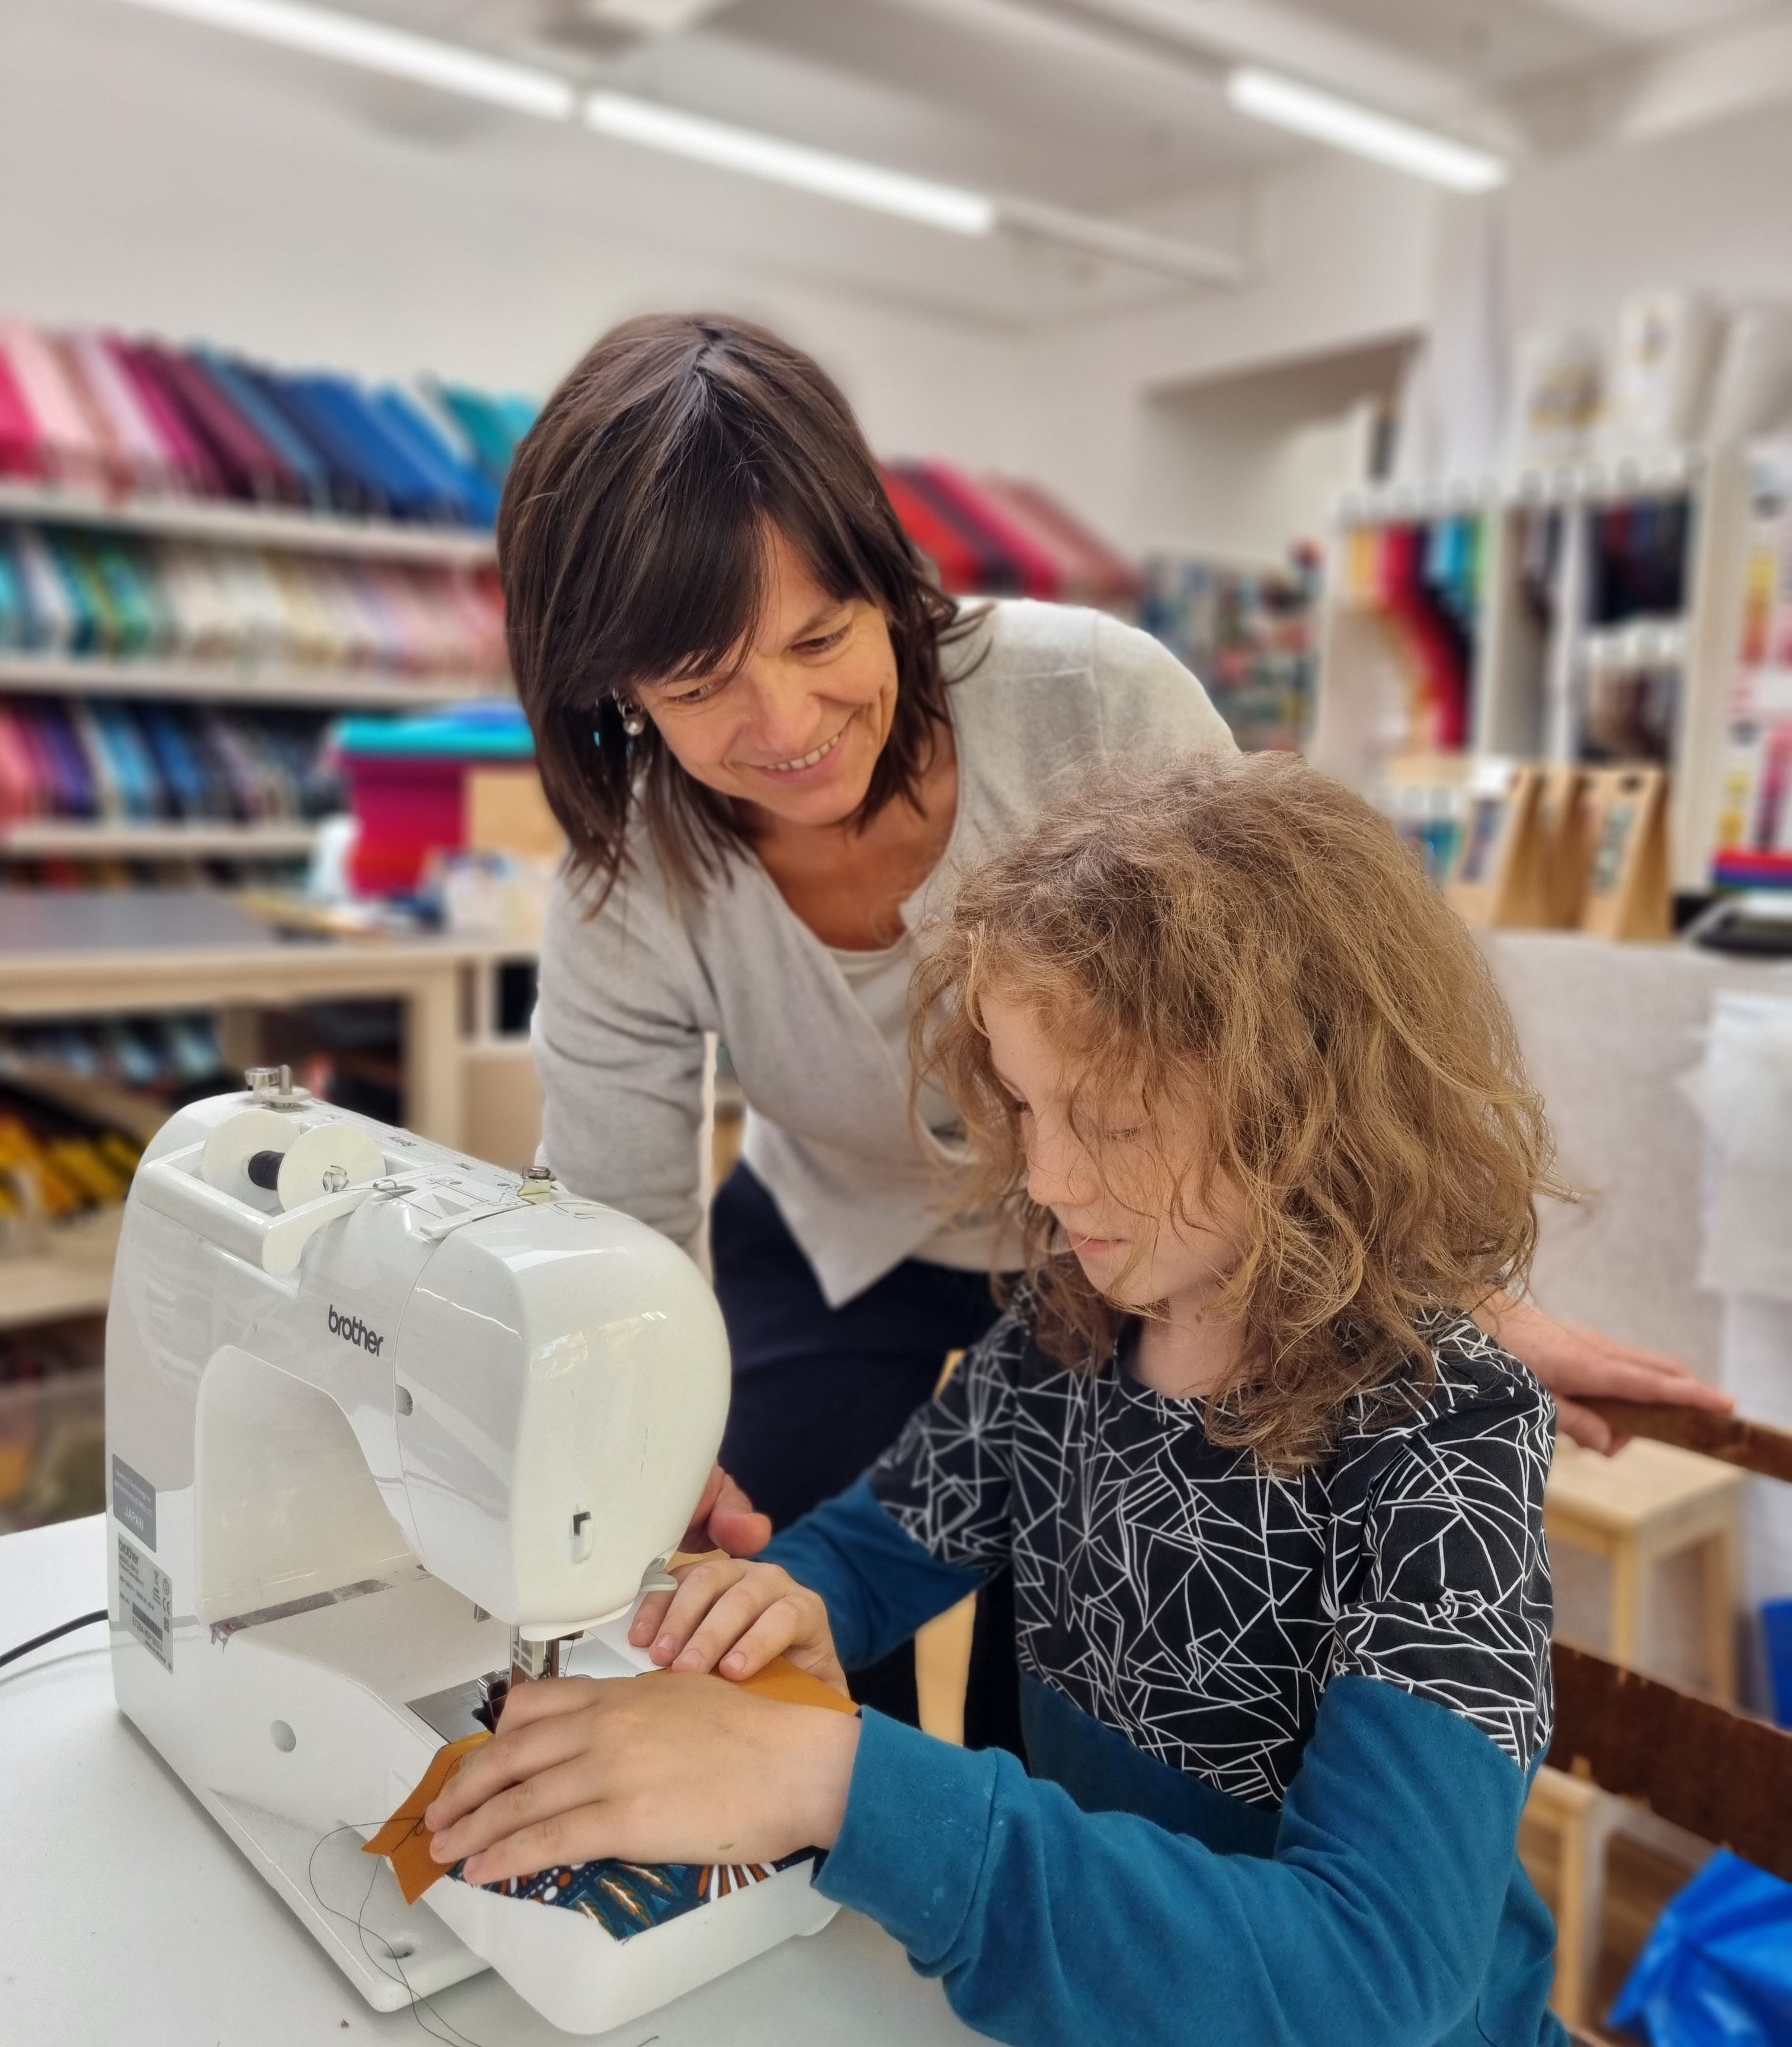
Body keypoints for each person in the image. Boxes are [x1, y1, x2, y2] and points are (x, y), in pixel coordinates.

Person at [504, 311, 1729, 1732]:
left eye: (822, 638)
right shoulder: (626, 882)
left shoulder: (1091, 701)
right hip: (837, 1233)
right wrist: (642, 1440)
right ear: (616, 690)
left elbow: (1298, 1033)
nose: (785, 722)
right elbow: (616, 1229)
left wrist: (1453, 1299)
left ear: (886, 577)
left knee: (1065, 1673)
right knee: (772, 1617)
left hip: (1113, 1243)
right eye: (702, 686)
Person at [426, 755, 1575, 2046]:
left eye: (1112, 1123)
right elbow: (886, 1542)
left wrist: (838, 1782)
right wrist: (785, 1601)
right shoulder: (1068, 1328)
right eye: (1026, 1107)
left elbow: (1374, 1979)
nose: (1047, 1178)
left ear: (1307, 1105)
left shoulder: (1447, 1444)